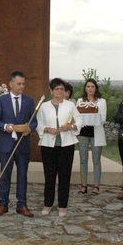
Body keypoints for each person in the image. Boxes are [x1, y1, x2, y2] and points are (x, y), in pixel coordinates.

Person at [0, 71, 37, 217]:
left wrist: (29, 128)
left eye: (23, 84)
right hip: (6, 144)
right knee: (5, 175)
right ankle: (3, 204)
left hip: (23, 145)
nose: (22, 86)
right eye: (19, 84)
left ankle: (21, 205)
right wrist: (6, 127)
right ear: (11, 84)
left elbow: (34, 121)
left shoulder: (29, 101)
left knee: (22, 175)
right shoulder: (1, 100)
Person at [37, 78, 81, 217]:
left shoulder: (70, 105)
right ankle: (47, 204)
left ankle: (62, 206)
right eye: (56, 89)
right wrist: (47, 129)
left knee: (64, 176)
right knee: (49, 176)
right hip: (48, 146)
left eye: (62, 89)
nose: (59, 91)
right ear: (51, 91)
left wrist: (71, 126)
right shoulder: (44, 106)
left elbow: (79, 120)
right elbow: (38, 123)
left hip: (66, 145)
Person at [76, 79, 107, 196]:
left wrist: (91, 115)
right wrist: (86, 115)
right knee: (83, 160)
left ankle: (96, 186)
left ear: (96, 88)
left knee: (96, 160)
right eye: (88, 86)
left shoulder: (101, 101)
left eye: (92, 86)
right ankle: (84, 185)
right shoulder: (80, 101)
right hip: (83, 133)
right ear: (85, 88)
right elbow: (77, 116)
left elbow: (103, 118)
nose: (90, 89)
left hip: (96, 133)